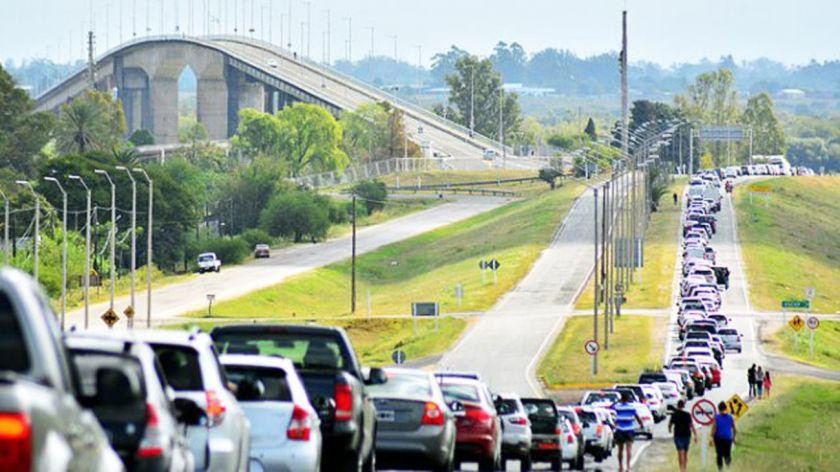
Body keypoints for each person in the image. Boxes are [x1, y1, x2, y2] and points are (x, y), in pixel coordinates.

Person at [612, 391, 644, 472]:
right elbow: (637, 417)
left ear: (621, 398)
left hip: (619, 429)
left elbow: (612, 411)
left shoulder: (617, 407)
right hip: (629, 429)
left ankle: (620, 467)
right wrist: (641, 424)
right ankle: (628, 467)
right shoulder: (632, 407)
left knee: (620, 449)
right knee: (629, 449)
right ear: (628, 399)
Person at [669, 399, 698, 472]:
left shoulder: (674, 414)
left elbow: (670, 424)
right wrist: (695, 435)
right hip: (687, 435)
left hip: (678, 435)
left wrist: (669, 430)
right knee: (685, 453)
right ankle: (685, 468)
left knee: (680, 452)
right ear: (683, 406)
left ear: (677, 405)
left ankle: (681, 469)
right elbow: (691, 425)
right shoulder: (687, 414)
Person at [711, 401, 736, 470]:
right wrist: (733, 438)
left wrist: (711, 438)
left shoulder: (717, 417)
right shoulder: (731, 417)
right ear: (726, 408)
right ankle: (728, 467)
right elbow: (734, 428)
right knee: (727, 454)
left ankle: (720, 469)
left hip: (718, 438)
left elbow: (714, 428)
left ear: (719, 409)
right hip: (728, 438)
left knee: (719, 455)